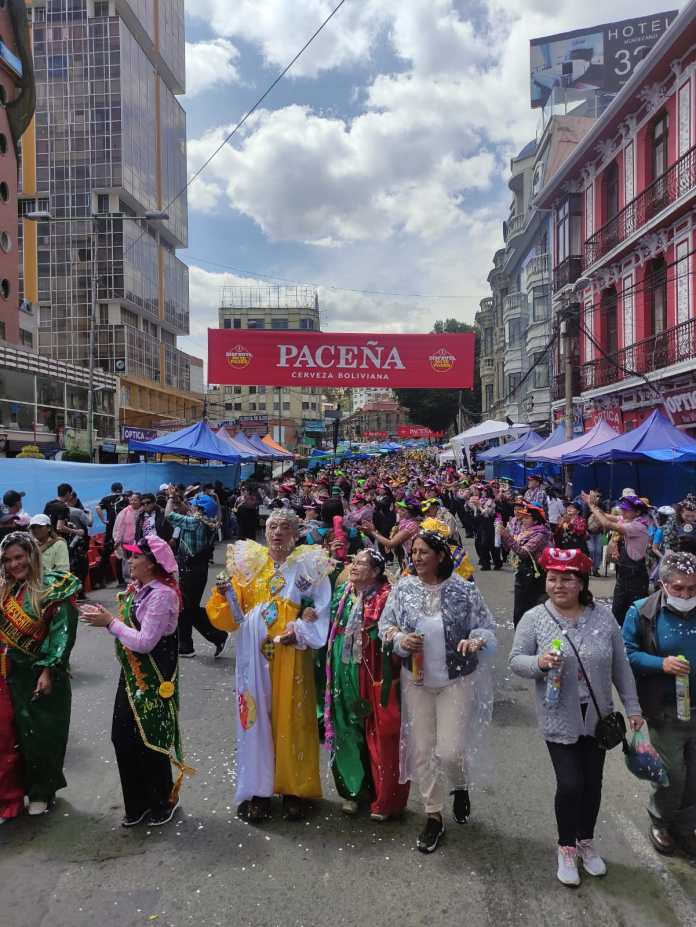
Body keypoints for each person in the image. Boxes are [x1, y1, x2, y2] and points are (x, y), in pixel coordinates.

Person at [510, 547, 643, 886]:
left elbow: (621, 666)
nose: (558, 586)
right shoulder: (535, 618)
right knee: (570, 784)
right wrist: (539, 663)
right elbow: (516, 660)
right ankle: (566, 847)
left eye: (567, 579)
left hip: (599, 718)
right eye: (553, 578)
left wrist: (633, 707)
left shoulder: (603, 618)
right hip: (558, 716)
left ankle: (586, 841)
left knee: (593, 784)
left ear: (582, 583)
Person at [206, 509, 332, 822]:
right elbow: (232, 614)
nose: (277, 533)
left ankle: (293, 790)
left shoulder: (308, 566)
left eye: (285, 527)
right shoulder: (249, 563)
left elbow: (321, 606)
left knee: (293, 716)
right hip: (253, 654)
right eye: (273, 526)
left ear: (295, 533)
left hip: (291, 652)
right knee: (254, 717)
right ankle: (258, 790)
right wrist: (224, 595)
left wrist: (301, 629)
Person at [379, 529, 496, 854]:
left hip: (456, 680)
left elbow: (486, 627)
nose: (416, 558)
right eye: (414, 552)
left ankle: (459, 785)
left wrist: (476, 640)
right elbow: (386, 626)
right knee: (422, 749)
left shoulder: (464, 590)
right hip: (416, 680)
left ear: (440, 556)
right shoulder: (403, 588)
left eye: (423, 552)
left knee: (449, 751)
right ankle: (433, 815)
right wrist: (400, 639)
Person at [80, 536, 187, 827]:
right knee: (123, 737)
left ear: (152, 564)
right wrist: (106, 619)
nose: (130, 561)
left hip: (153, 677)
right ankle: (137, 803)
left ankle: (163, 800)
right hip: (131, 674)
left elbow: (145, 642)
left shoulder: (162, 595)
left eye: (136, 557)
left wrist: (110, 623)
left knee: (150, 738)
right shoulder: (140, 589)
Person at [324, 549, 410, 820]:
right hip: (342, 667)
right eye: (354, 561)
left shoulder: (387, 597)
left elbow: (397, 633)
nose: (354, 566)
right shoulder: (342, 593)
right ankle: (353, 791)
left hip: (373, 669)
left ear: (375, 571)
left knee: (378, 731)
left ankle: (383, 797)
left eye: (362, 563)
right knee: (345, 726)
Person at [0, 532, 80, 817]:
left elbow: (63, 634)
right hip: (11, 675)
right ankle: (18, 792)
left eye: (19, 557)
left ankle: (43, 791)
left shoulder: (55, 587)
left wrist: (48, 669)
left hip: (44, 675)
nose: (14, 564)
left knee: (43, 735)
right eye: (7, 560)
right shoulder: (6, 590)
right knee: (16, 736)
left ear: (32, 555)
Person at [623, 551, 696, 858]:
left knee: (694, 776)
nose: (686, 595)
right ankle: (661, 821)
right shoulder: (642, 612)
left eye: (692, 588)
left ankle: (685, 826)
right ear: (664, 584)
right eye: (678, 588)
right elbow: (626, 653)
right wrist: (660, 664)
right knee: (673, 774)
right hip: (665, 710)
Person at [167, 493, 227, 658]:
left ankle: (217, 636)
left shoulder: (195, 522)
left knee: (187, 608)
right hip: (196, 569)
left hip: (191, 571)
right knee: (186, 608)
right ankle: (186, 645)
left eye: (193, 504)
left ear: (199, 509)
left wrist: (170, 499)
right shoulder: (206, 520)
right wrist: (179, 500)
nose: (191, 506)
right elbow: (186, 510)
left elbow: (168, 515)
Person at [583, 493, 650, 626]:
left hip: (636, 577)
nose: (623, 512)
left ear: (637, 512)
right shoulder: (627, 520)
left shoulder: (638, 526)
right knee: (617, 612)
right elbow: (606, 515)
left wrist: (591, 506)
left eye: (626, 510)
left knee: (634, 615)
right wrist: (595, 505)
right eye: (622, 509)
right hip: (624, 574)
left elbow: (606, 523)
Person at [500, 502, 553, 625]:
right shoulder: (526, 532)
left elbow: (523, 552)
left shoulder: (540, 534)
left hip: (534, 576)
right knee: (520, 610)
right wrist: (503, 536)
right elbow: (511, 548)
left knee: (528, 609)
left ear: (536, 520)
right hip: (523, 573)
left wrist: (507, 536)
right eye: (523, 517)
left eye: (527, 518)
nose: (523, 520)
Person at [96, 482, 127, 585]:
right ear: (121, 489)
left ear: (112, 489)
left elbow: (97, 508)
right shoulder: (125, 498)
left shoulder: (106, 499)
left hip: (110, 531)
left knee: (105, 556)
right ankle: (121, 580)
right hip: (123, 531)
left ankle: (99, 581)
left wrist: (103, 520)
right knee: (120, 555)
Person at [112, 492, 143, 585]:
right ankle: (130, 582)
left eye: (135, 500)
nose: (133, 502)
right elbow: (119, 526)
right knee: (129, 561)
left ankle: (141, 580)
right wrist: (117, 539)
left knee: (140, 561)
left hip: (141, 542)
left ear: (140, 501)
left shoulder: (143, 511)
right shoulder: (125, 512)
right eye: (131, 500)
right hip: (127, 542)